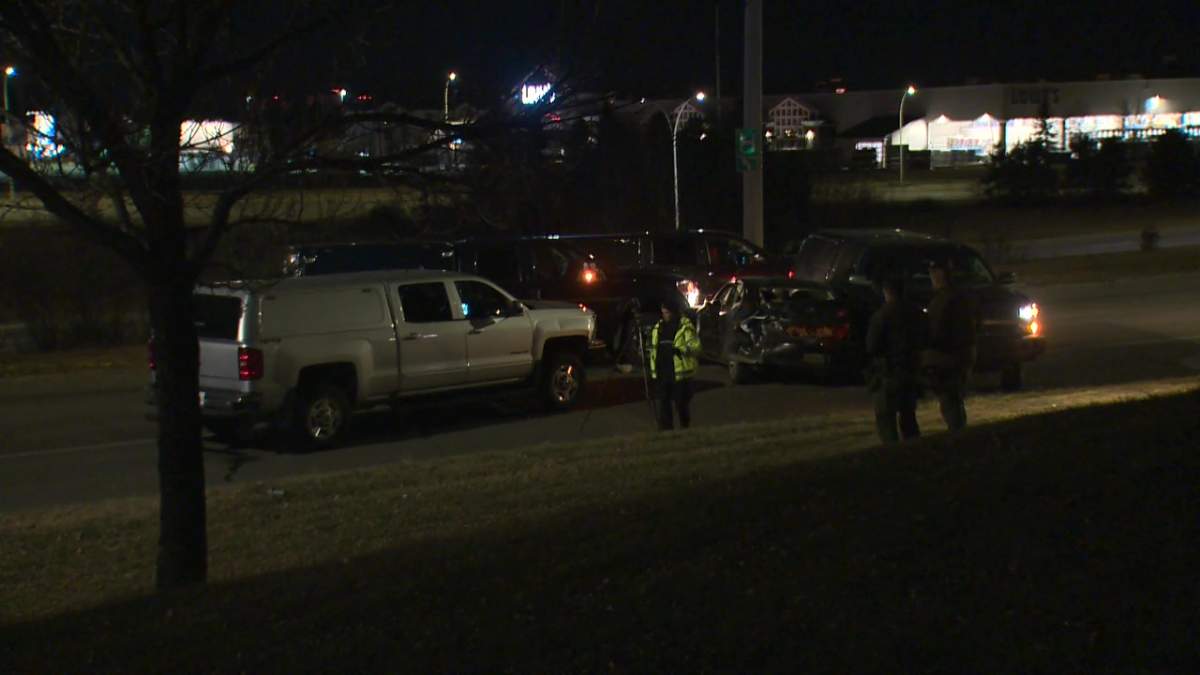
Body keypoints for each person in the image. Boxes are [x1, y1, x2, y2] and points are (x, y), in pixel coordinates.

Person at [865, 275, 927, 444]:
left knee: (886, 419)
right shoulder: (916, 312)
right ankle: (913, 453)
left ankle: (892, 456)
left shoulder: (882, 315)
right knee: (908, 417)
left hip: (889, 372)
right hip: (911, 370)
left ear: (886, 292)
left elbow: (872, 346)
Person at [921, 255, 979, 431]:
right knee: (952, 401)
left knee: (950, 402)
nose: (932, 277)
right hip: (955, 357)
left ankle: (958, 436)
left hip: (948, 358)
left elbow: (940, 332)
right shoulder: (955, 297)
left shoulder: (946, 300)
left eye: (933, 272)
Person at [648, 296, 701, 431]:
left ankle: (685, 427)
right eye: (663, 312)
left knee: (681, 403)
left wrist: (680, 350)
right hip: (663, 371)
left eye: (667, 312)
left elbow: (696, 347)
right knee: (664, 403)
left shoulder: (685, 326)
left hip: (680, 373)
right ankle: (666, 431)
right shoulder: (658, 328)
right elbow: (653, 347)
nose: (665, 315)